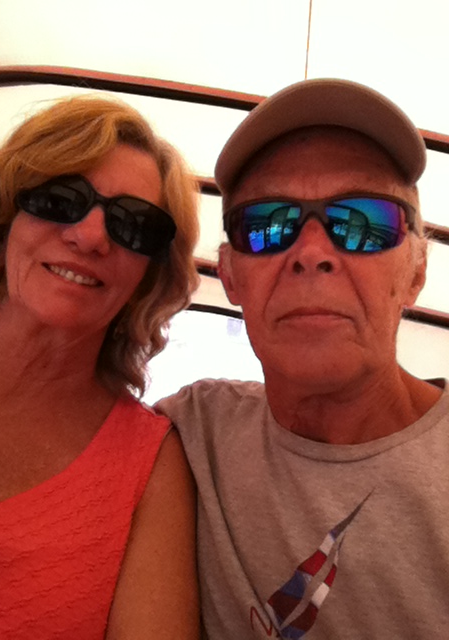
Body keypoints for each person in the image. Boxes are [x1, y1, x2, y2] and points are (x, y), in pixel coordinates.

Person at [156, 78, 449, 639]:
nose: (311, 252)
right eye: (267, 226)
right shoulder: (192, 435)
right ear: (230, 275)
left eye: (363, 223)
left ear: (417, 271)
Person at [0, 95, 200, 639]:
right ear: (3, 223)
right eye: (60, 199)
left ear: (147, 278)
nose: (91, 236)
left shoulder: (150, 468)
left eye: (133, 225)